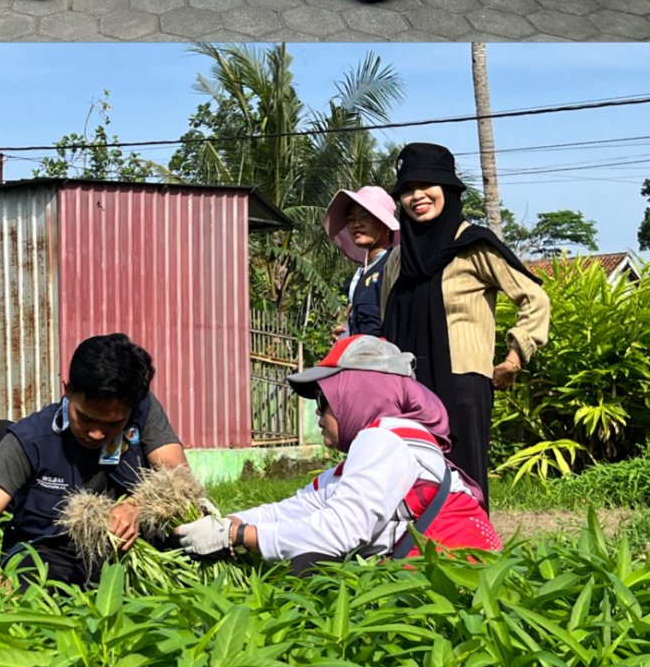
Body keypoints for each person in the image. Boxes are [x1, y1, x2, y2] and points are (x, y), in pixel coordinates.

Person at [176, 333, 501, 567]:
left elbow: (341, 531)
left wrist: (239, 535)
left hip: (453, 579)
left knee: (302, 566)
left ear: (359, 393)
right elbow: (295, 509)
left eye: (324, 398)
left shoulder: (384, 440)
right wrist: (223, 522)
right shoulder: (383, 446)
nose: (318, 412)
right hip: (457, 573)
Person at [381, 141, 551, 504]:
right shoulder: (397, 259)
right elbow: (385, 324)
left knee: (463, 476)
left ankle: (470, 553)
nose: (416, 196)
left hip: (460, 381)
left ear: (448, 189)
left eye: (426, 184)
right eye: (407, 189)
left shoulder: (474, 244)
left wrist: (514, 356)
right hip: (405, 387)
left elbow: (534, 298)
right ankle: (411, 553)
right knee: (405, 474)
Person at [0, 332, 187, 585]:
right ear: (67, 391)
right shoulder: (30, 438)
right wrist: (0, 590)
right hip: (47, 559)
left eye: (113, 423)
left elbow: (177, 477)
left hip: (125, 555)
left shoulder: (143, 410)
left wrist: (135, 506)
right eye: (86, 418)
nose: (96, 433)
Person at [324, 187, 400, 338]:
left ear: (385, 223)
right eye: (351, 219)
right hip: (361, 358)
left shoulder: (394, 264)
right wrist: (347, 334)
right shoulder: (361, 272)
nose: (356, 224)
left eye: (365, 216)